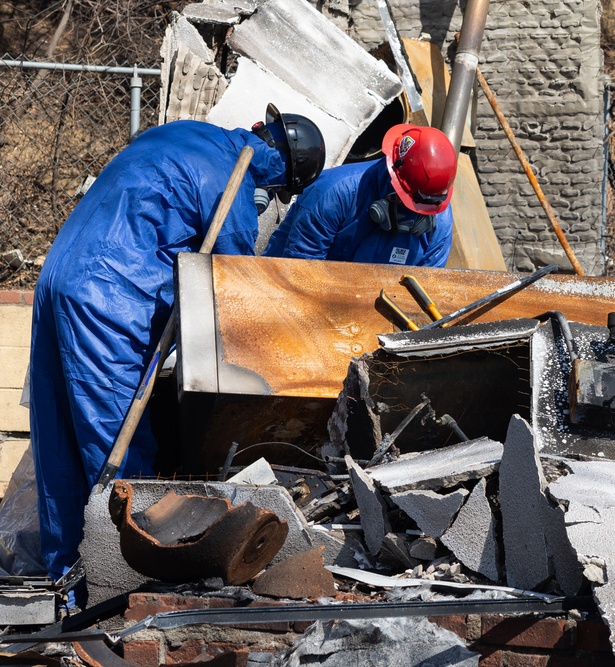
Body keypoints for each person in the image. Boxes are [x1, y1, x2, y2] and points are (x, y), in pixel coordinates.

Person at [28, 104, 325, 595]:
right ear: (283, 175)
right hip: (109, 296)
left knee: (59, 434)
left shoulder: (187, 134)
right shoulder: (232, 183)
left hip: (59, 276)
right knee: (119, 443)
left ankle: (64, 578)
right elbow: (228, 291)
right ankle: (126, 579)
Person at [263, 124, 457, 267]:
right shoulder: (335, 194)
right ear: (394, 177)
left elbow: (428, 285)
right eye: (411, 204)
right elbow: (300, 271)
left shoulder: (440, 216)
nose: (417, 216)